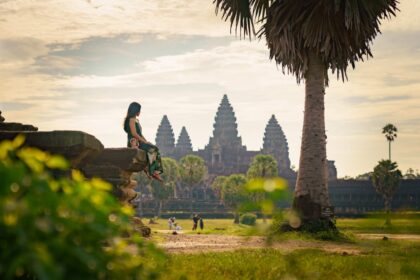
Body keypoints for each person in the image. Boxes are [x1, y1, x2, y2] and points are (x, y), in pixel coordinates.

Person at [124, 102, 163, 181]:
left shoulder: (136, 120)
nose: (139, 112)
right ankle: (153, 172)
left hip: (139, 141)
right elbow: (134, 134)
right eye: (139, 110)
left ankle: (152, 171)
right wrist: (144, 142)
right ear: (135, 110)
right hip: (133, 141)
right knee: (153, 149)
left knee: (154, 148)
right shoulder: (131, 119)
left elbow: (140, 134)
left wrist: (146, 141)